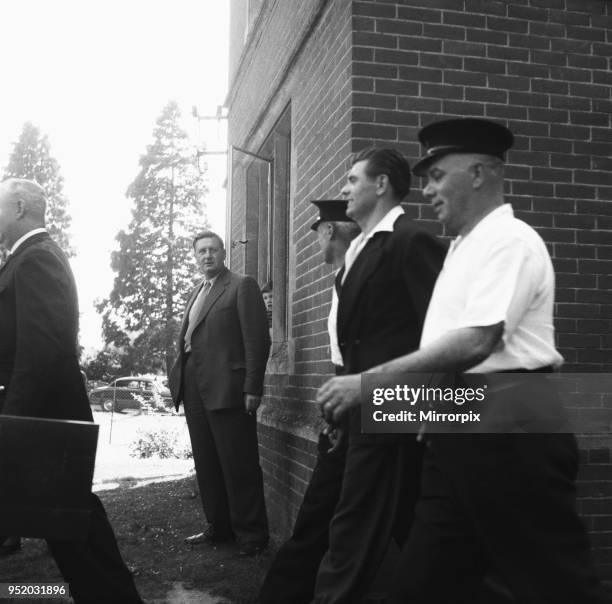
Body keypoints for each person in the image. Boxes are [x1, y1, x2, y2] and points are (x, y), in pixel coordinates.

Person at [318, 119, 610, 604]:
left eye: (437, 175)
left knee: (557, 585)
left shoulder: (510, 240)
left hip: (514, 435)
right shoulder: (460, 250)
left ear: (478, 173)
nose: (427, 189)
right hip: (462, 433)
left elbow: (479, 341)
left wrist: (368, 386)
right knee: (423, 585)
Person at [312, 149, 446, 603]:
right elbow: (354, 343)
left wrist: (433, 408)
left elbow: (440, 330)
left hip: (396, 411)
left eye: (353, 180)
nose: (345, 190)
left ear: (382, 184)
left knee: (351, 531)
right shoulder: (358, 251)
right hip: (362, 412)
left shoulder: (410, 241)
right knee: (420, 533)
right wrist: (340, 411)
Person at [0, 178, 143, 603]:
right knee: (69, 526)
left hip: (40, 419)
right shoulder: (23, 259)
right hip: (39, 416)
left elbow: (40, 352)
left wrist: (12, 423)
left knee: (72, 524)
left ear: (20, 207)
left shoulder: (36, 260)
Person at [259, 199, 360, 604]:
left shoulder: (357, 277)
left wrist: (341, 411)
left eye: (317, 232)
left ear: (330, 230)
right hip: (352, 400)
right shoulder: (343, 276)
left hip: (364, 402)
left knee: (322, 508)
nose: (315, 242)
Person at [169, 230, 271, 557]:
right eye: (201, 251)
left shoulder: (242, 285)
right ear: (195, 256)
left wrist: (253, 387)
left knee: (238, 463)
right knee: (207, 462)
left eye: (213, 250)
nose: (207, 256)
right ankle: (219, 526)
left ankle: (252, 535)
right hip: (195, 387)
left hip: (229, 389)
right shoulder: (197, 290)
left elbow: (257, 341)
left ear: (224, 253)